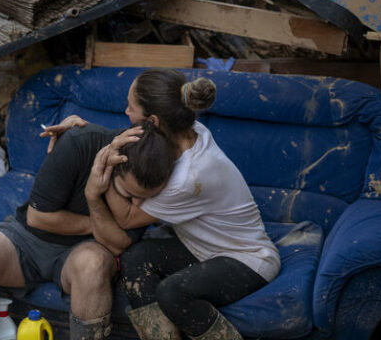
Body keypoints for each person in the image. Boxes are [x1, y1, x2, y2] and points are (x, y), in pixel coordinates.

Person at [42, 69, 280, 340]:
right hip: (202, 247)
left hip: (248, 258)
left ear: (152, 121)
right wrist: (77, 129)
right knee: (135, 258)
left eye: (131, 107)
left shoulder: (189, 177)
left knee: (173, 292)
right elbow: (125, 139)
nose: (126, 112)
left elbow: (126, 219)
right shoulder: (183, 131)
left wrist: (101, 178)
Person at [0, 120, 174, 340]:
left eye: (144, 200)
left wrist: (93, 197)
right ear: (112, 165)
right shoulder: (79, 142)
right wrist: (100, 225)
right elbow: (37, 218)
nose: (136, 206)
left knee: (91, 266)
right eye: (128, 194)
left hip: (85, 250)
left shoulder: (156, 172)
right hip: (28, 238)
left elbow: (118, 244)